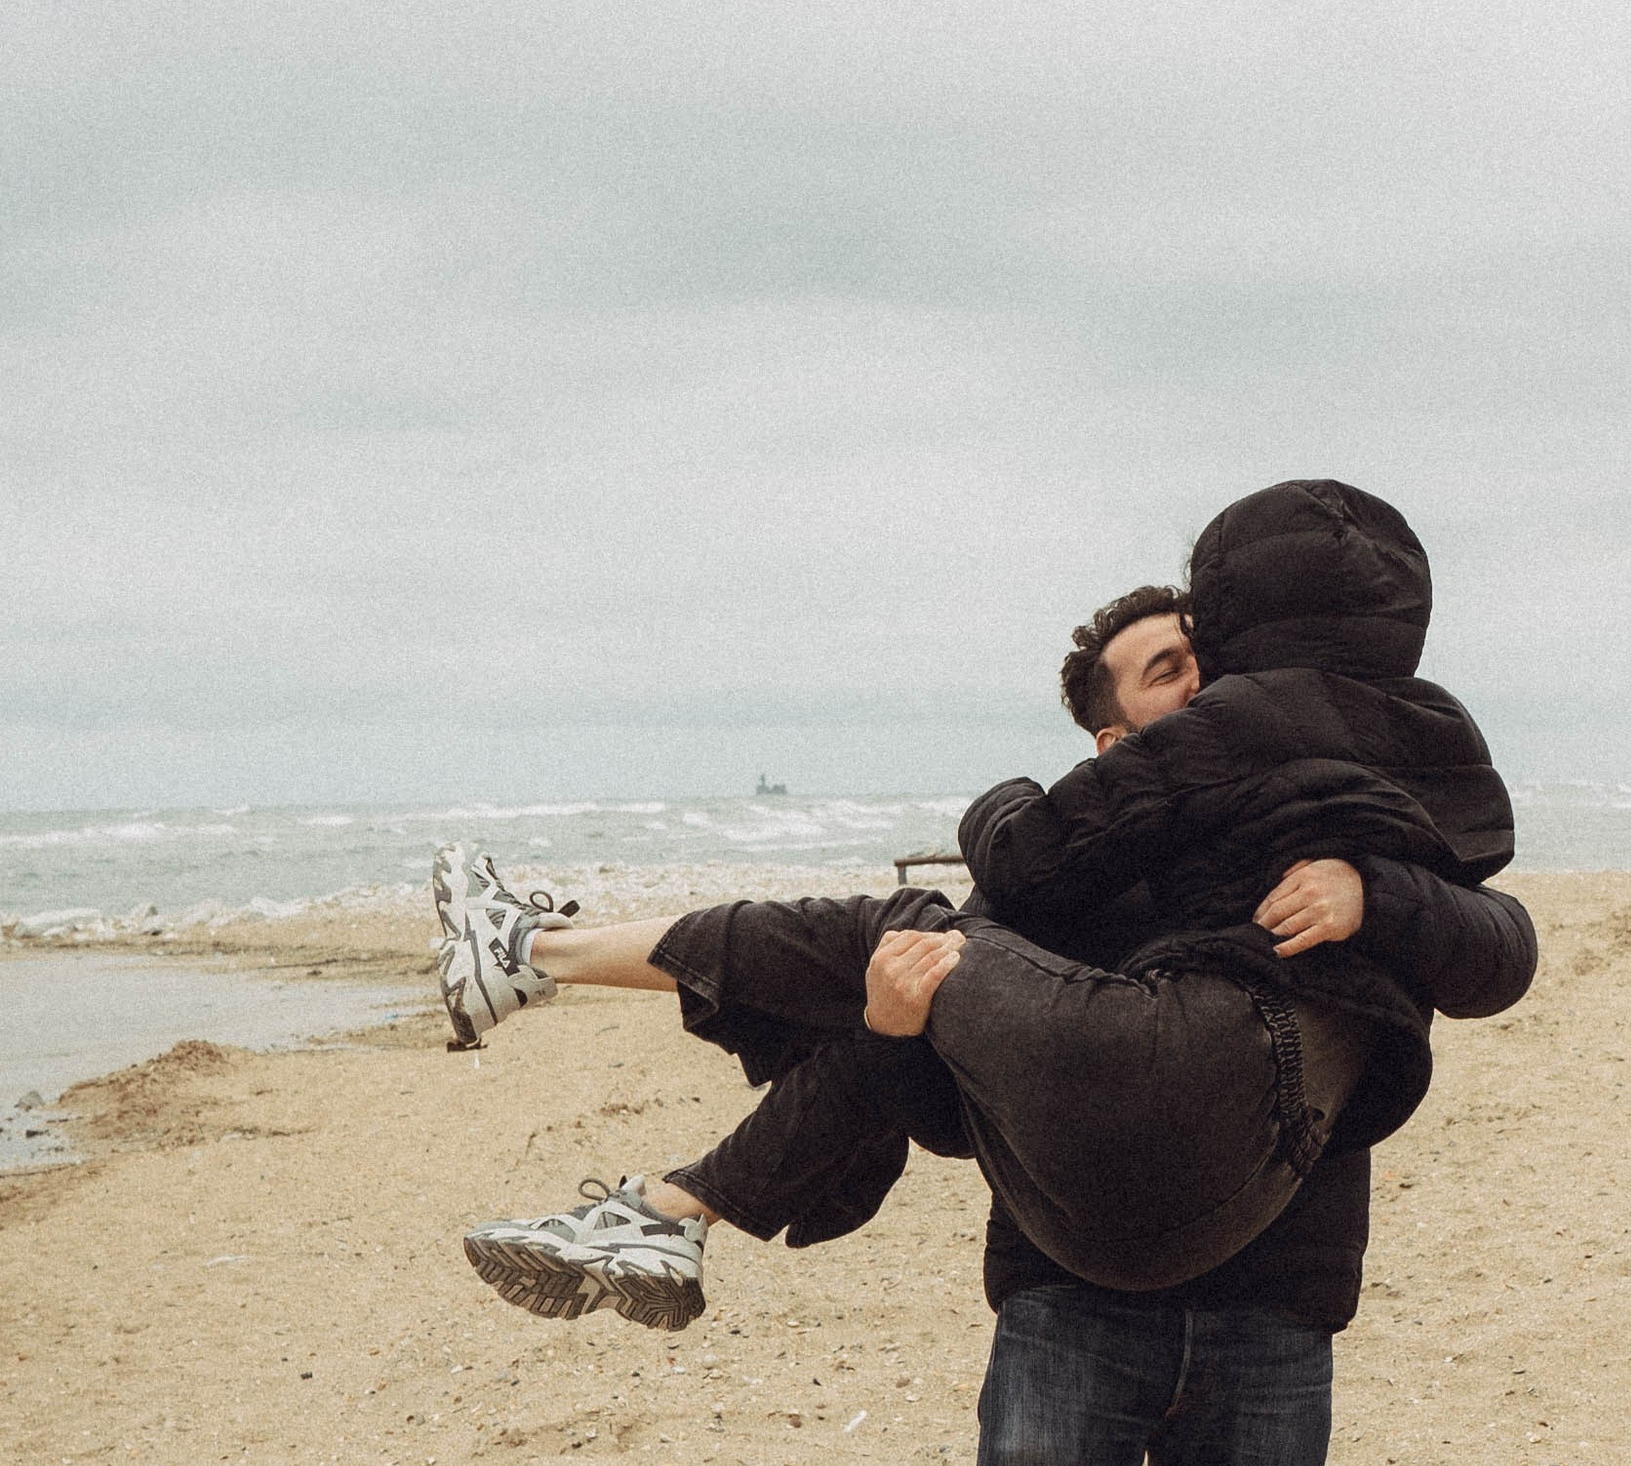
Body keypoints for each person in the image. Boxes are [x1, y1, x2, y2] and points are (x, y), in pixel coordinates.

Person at [443, 482, 1514, 1323]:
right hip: (1089, 1249)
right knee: (908, 969)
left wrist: (1375, 894)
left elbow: (1502, 942)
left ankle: (539, 955)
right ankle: (670, 1195)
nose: (1204, 688)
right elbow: (958, 1113)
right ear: (1113, 745)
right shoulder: (1378, 754)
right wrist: (895, 1033)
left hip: (1266, 1249)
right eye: (1170, 671)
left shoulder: (1276, 769)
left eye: (1206, 655)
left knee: (904, 930)